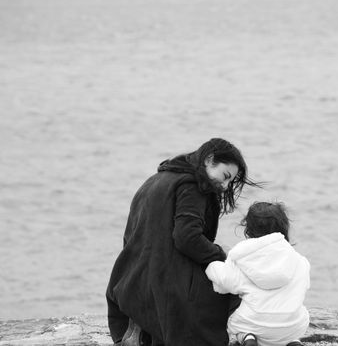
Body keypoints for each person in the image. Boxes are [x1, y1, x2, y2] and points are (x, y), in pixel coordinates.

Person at [106, 138, 258, 346]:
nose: (224, 186)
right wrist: (222, 255)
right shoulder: (193, 185)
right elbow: (187, 237)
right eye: (224, 177)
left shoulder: (156, 179)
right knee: (237, 287)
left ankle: (142, 326)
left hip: (129, 281)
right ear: (209, 160)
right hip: (164, 288)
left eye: (229, 182)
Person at [205, 202, 310, 346]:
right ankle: (293, 342)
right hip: (291, 325)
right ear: (284, 227)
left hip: (254, 323)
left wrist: (212, 265)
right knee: (291, 326)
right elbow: (303, 287)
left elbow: (224, 282)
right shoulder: (299, 260)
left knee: (236, 323)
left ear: (247, 229)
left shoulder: (242, 256)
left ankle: (248, 338)